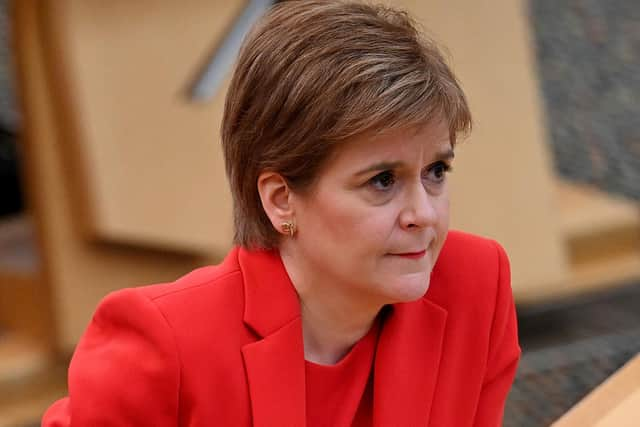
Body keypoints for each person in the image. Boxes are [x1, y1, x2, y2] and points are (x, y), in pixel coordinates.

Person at [42, 1, 520, 426]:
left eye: (436, 170)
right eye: (382, 181)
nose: (423, 214)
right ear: (280, 199)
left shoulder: (475, 286)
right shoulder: (166, 345)